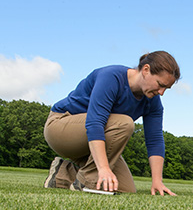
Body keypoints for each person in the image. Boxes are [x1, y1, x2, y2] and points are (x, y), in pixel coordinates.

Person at [43, 51, 179, 195]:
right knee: (124, 124)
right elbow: (95, 123)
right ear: (146, 70)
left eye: (166, 88)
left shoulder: (153, 102)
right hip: (61, 127)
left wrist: (157, 181)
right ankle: (86, 181)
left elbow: (155, 140)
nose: (162, 92)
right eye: (160, 84)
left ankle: (61, 173)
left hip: (92, 142)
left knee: (125, 189)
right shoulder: (111, 77)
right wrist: (103, 168)